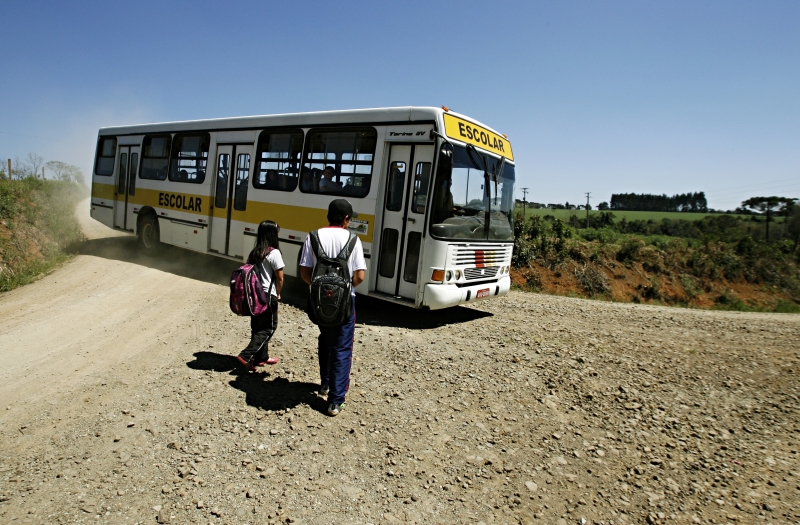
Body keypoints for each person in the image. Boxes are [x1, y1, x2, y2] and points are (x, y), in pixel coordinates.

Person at [299, 199, 366, 416]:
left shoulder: (313, 236)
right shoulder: (353, 240)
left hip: (320, 302)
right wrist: (342, 291)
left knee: (325, 340)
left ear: (329, 216)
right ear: (346, 219)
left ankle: (325, 383)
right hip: (345, 303)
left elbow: (305, 273)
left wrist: (323, 290)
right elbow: (359, 276)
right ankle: (336, 401)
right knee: (342, 347)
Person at [237, 220, 284, 372]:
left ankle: (261, 357)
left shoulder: (255, 252)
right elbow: (280, 277)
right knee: (269, 327)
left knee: (258, 327)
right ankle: (246, 355)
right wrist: (277, 293)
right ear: (272, 234)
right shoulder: (274, 253)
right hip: (266, 296)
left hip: (253, 296)